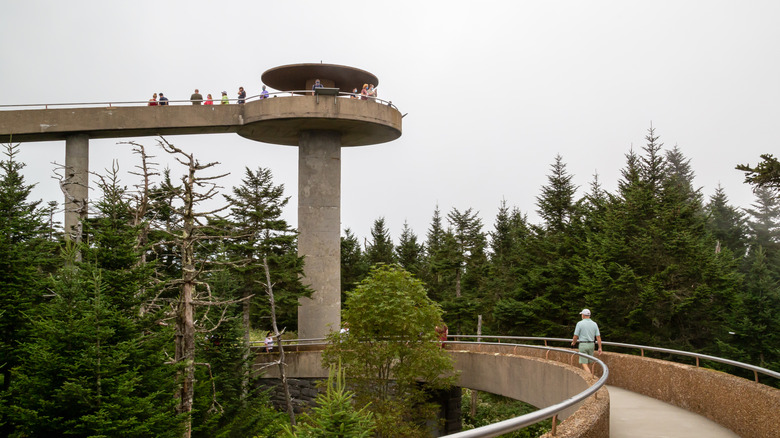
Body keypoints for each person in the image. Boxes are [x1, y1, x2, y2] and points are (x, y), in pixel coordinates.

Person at [571, 309, 602, 375]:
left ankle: (590, 377)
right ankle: (588, 375)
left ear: (583, 315)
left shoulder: (580, 323)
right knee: (588, 362)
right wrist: (600, 348)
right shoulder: (594, 324)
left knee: (584, 363)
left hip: (583, 344)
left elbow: (575, 336)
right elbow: (598, 337)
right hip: (591, 345)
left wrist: (573, 343)